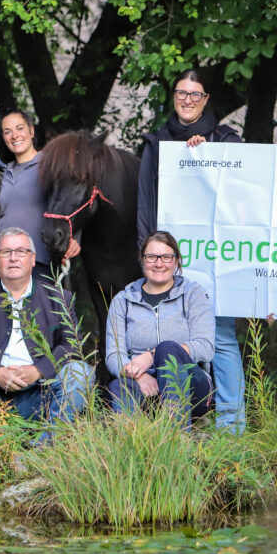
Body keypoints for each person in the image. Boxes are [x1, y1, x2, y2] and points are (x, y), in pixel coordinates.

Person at [136, 67, 246, 432]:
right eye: (181, 93)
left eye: (194, 94)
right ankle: (179, 421)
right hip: (168, 260)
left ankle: (231, 426)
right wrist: (149, 255)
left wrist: (208, 156)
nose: (187, 99)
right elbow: (145, 205)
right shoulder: (156, 143)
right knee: (168, 337)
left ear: (206, 99)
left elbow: (244, 191)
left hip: (214, 258)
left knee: (222, 336)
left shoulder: (225, 139)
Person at [0, 227, 94, 441]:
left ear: (33, 259)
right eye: (6, 252)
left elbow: (72, 345)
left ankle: (46, 446)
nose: (13, 258)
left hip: (40, 395)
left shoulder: (58, 297)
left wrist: (39, 370)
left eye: (21, 251)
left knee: (81, 372)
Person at [104, 231, 214, 429]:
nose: (159, 263)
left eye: (166, 257)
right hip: (142, 385)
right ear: (142, 260)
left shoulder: (193, 294)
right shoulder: (123, 300)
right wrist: (139, 376)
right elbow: (114, 356)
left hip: (191, 385)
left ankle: (177, 439)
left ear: (177, 261)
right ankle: (129, 449)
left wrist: (153, 356)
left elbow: (206, 346)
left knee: (168, 350)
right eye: (151, 257)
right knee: (118, 388)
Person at [0, 110, 79, 280]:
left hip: (38, 263)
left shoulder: (50, 166)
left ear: (31, 131)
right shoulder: (4, 172)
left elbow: (74, 200)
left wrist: (75, 237)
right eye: (7, 131)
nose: (14, 136)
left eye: (19, 128)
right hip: (4, 264)